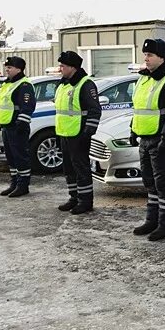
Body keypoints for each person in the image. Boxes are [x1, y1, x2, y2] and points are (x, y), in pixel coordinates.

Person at [129, 39, 165, 241]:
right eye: (145, 55)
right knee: (150, 183)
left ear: (162, 58)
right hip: (144, 140)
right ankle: (151, 221)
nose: (146, 58)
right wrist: (132, 130)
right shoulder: (143, 79)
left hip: (163, 140)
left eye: (150, 55)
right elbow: (138, 108)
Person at [54, 51, 101, 214]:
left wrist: (87, 133)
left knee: (81, 168)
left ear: (73, 67)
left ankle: (85, 201)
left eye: (63, 66)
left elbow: (94, 111)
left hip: (79, 135)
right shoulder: (63, 84)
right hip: (65, 134)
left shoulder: (85, 84)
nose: (60, 69)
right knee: (68, 168)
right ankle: (74, 198)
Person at [0, 56, 37, 197]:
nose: (7, 70)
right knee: (11, 157)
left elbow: (27, 106)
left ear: (18, 69)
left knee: (20, 156)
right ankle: (14, 183)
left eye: (10, 67)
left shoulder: (24, 85)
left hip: (17, 127)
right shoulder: (7, 84)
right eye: (6, 67)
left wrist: (21, 123)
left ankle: (23, 185)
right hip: (7, 126)